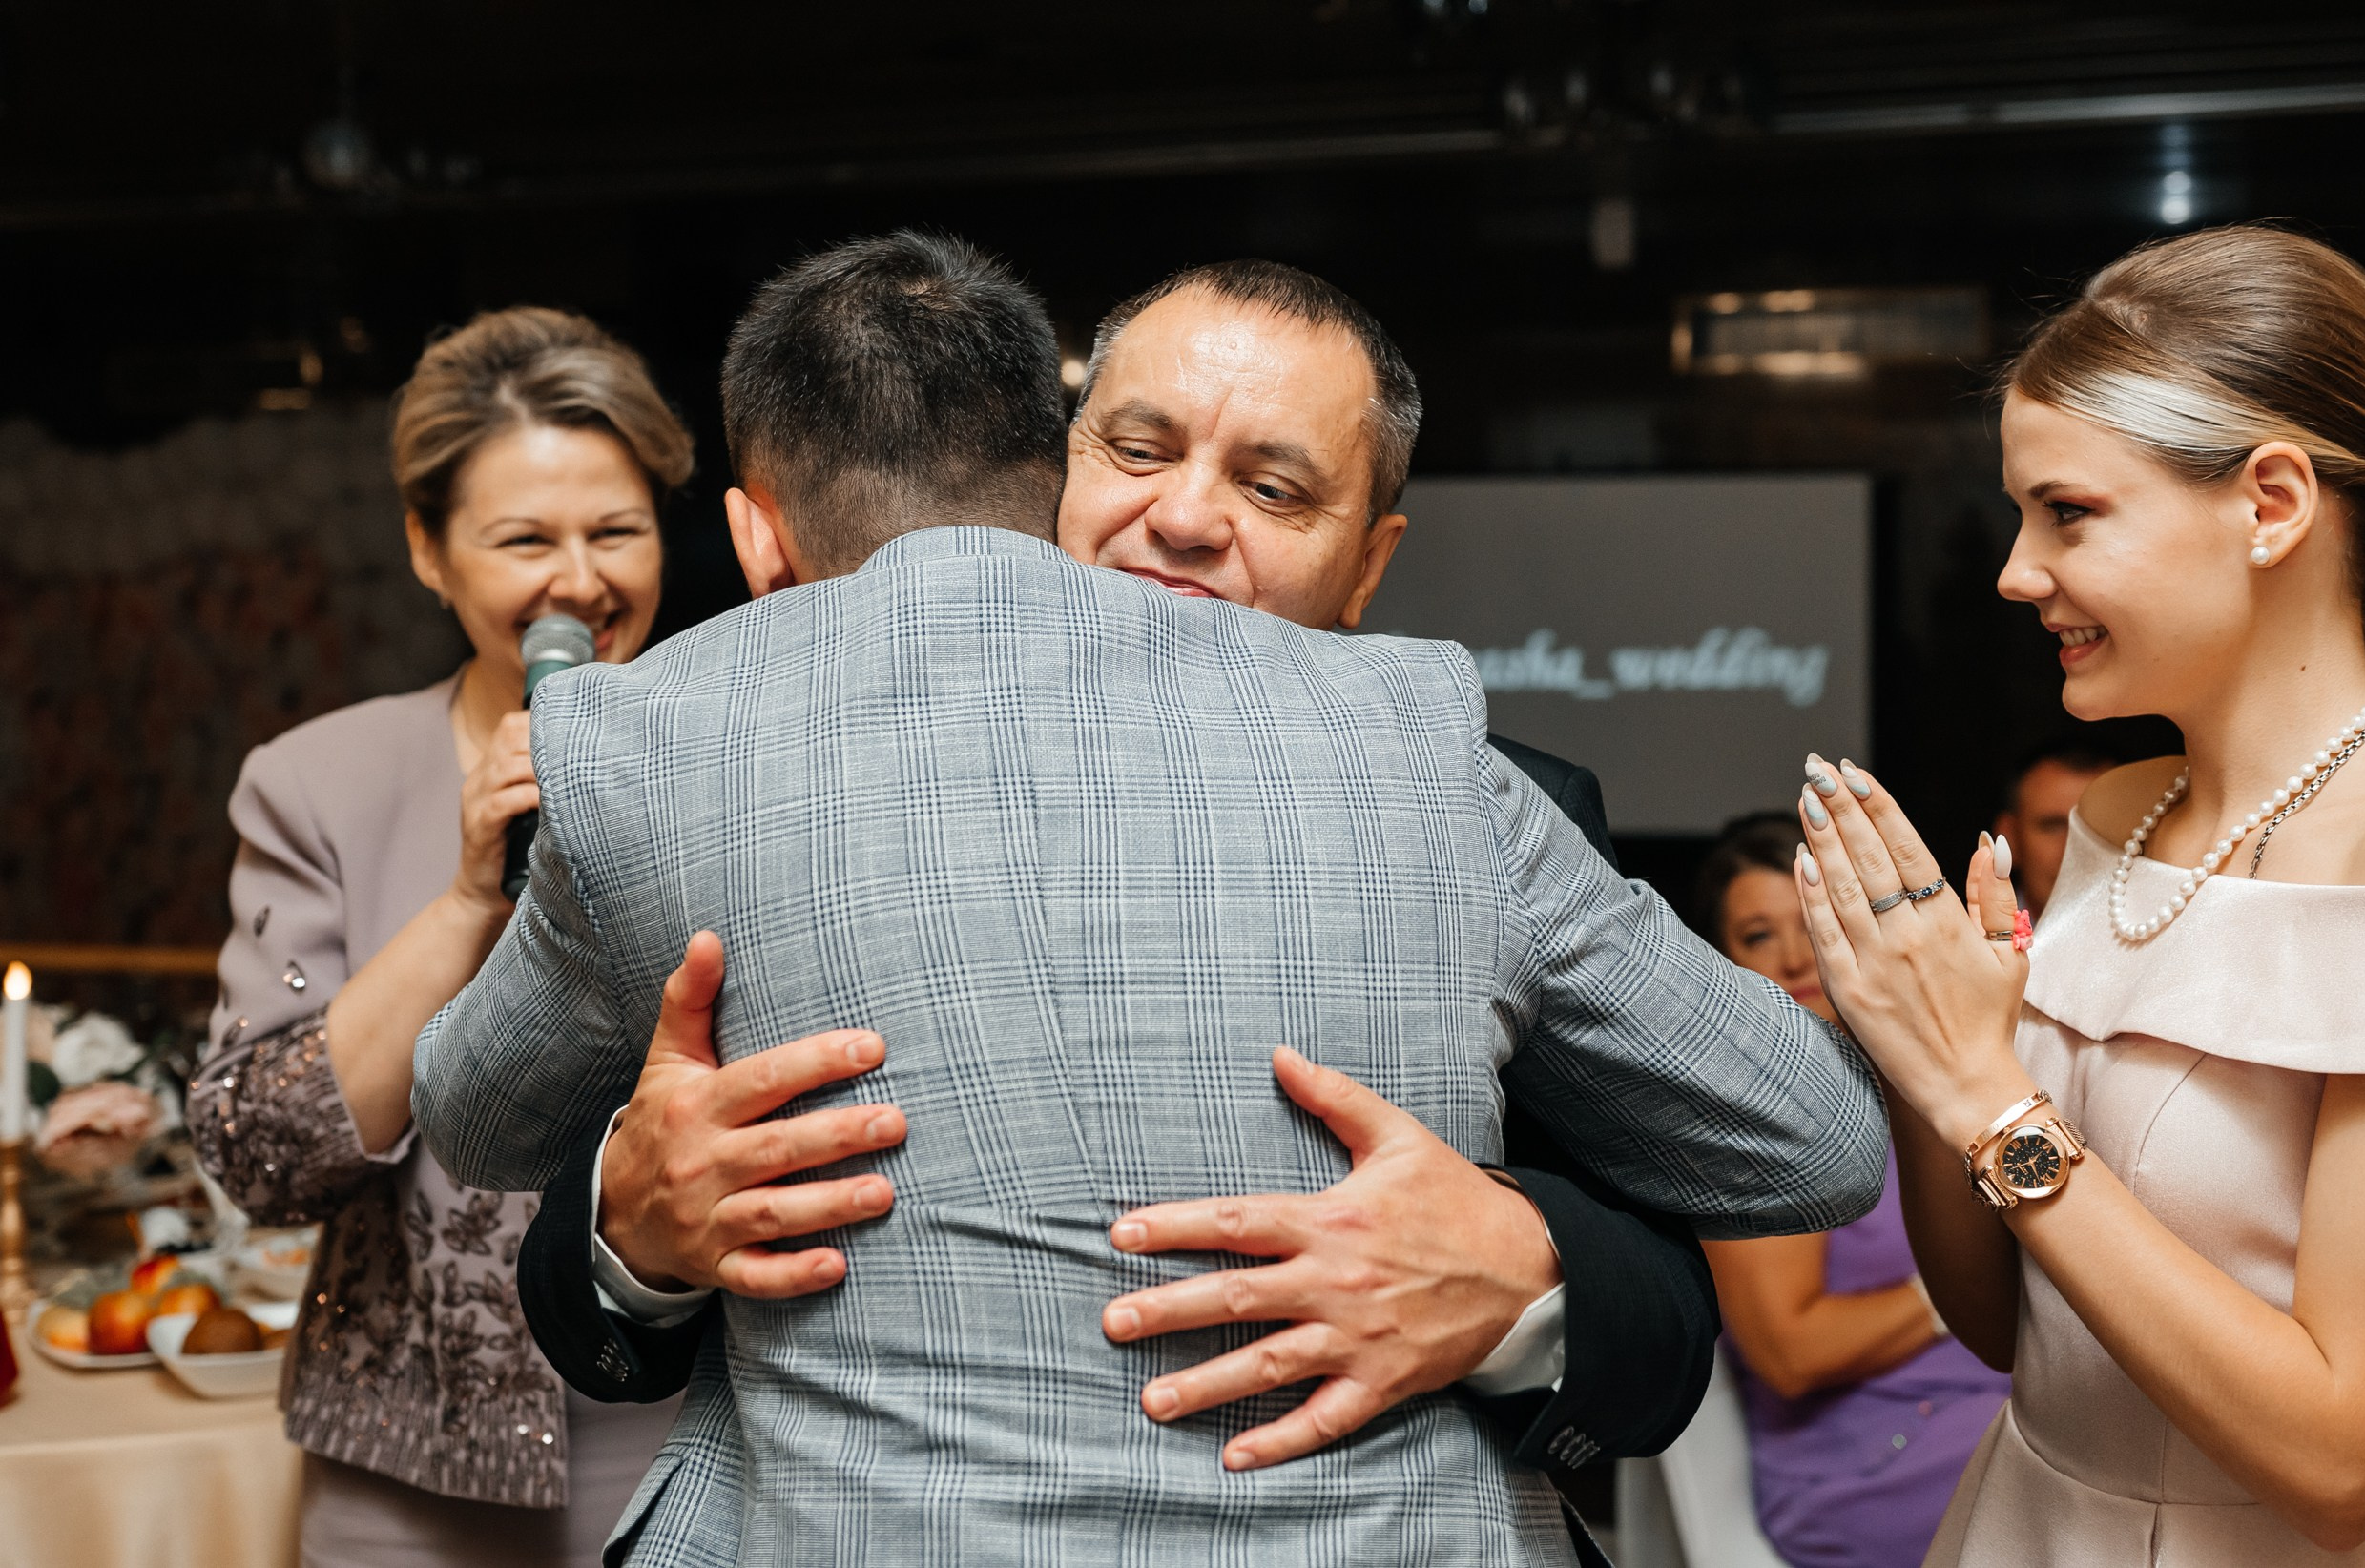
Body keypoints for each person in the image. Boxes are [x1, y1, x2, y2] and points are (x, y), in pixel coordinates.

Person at [410, 233, 1887, 1564]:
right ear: (1048, 468)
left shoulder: (1486, 793)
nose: (1183, 519)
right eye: (1137, 449)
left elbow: (1694, 1292)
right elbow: (545, 1210)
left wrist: (1519, 1272)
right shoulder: (750, 775)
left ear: (1370, 563)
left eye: (1272, 484)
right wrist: (636, 1218)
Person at [1789, 224, 2365, 1565]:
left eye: (2069, 512)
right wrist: (1929, 1048)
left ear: (2272, 504)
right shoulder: (2122, 814)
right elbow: (2007, 1327)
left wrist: (1987, 1099)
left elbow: (2345, 1466)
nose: (2011, 570)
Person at [192, 308, 694, 1567]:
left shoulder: (741, 752)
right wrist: (471, 895)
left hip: (698, 1447)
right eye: (525, 539)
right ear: (430, 550)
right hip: (405, 1488)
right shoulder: (317, 782)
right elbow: (255, 1151)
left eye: (615, 531)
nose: (578, 581)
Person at [1691, 814, 2008, 1568]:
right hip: (1875, 1461)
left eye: (1814, 920)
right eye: (1760, 935)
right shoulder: (1755, 1118)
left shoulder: (1916, 1075)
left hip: (1993, 1412)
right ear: (1720, 960)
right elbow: (1790, 1350)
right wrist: (1969, 1292)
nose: (1800, 956)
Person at [1991, 741, 2115, 915]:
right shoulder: (1960, 939)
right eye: (2053, 826)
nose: (2074, 850)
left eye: (2095, 829)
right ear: (2009, 837)